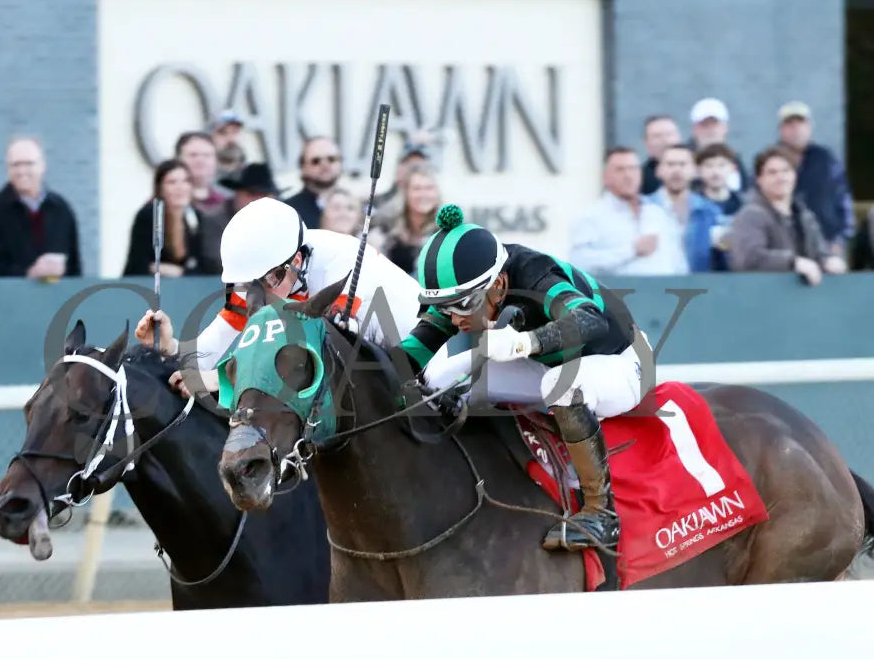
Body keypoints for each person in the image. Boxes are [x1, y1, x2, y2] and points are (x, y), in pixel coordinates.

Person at [399, 204, 646, 552]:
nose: (454, 320)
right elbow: (408, 357)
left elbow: (591, 322)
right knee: (438, 378)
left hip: (618, 359)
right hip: (545, 362)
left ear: (498, 285)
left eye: (463, 306)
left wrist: (524, 342)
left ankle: (601, 513)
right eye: (446, 308)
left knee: (560, 385)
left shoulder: (535, 274)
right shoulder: (465, 293)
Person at [133, 197, 423, 398]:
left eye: (271, 279)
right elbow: (213, 349)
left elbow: (311, 367)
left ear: (297, 259)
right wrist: (170, 347)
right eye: (249, 285)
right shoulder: (265, 276)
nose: (263, 295)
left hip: (422, 365)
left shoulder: (339, 269)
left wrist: (222, 382)